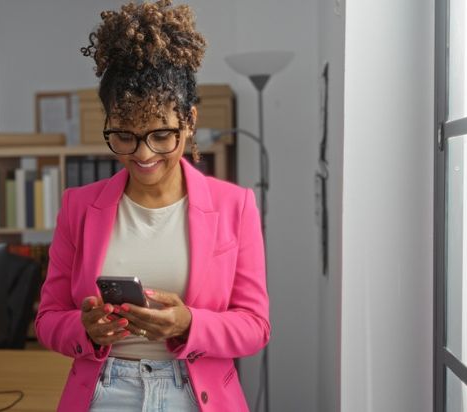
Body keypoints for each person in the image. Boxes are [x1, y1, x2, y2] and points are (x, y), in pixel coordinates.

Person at [35, 1, 270, 411]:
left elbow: (255, 327)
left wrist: (188, 324)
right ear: (108, 121)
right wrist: (85, 328)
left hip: (195, 395)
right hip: (104, 393)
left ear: (190, 120)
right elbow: (48, 319)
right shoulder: (78, 207)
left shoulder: (236, 206)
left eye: (161, 135)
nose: (143, 154)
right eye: (124, 135)